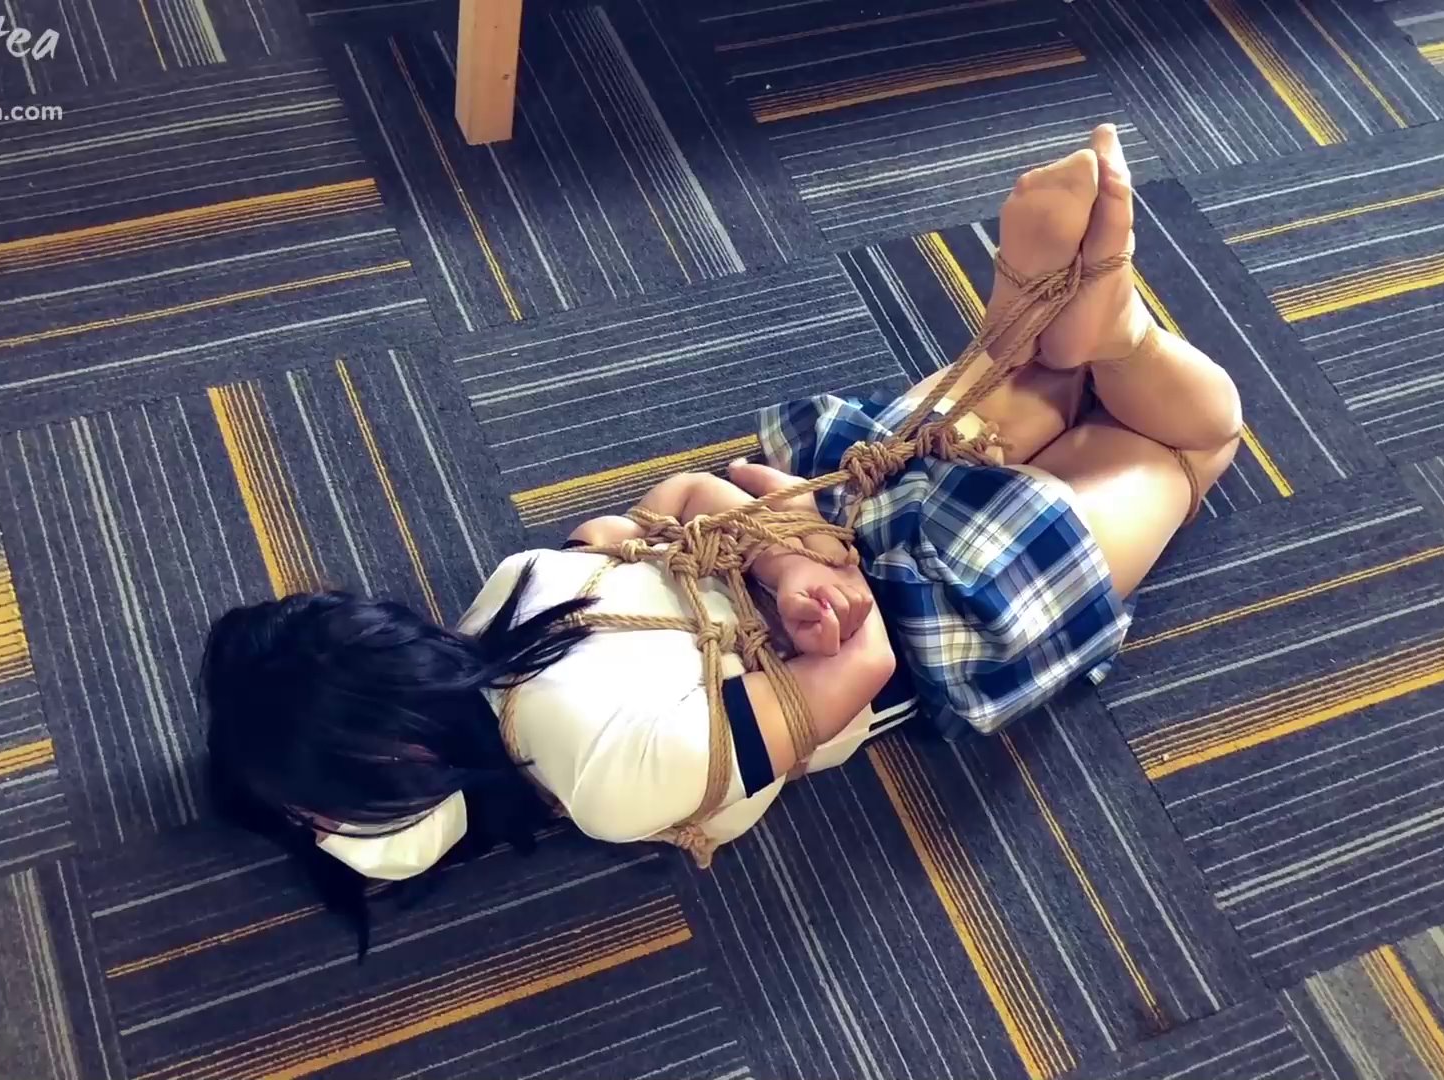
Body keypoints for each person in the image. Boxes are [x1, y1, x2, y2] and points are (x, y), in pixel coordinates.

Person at [199, 124, 1242, 947]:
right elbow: (692, 495)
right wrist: (783, 548)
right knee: (1063, 388)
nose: (321, 833)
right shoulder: (510, 597)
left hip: (930, 609)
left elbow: (863, 665)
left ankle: (1114, 333)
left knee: (1192, 449)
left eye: (317, 815)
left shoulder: (608, 785)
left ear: (400, 759)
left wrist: (799, 568)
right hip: (836, 498)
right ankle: (1063, 331)